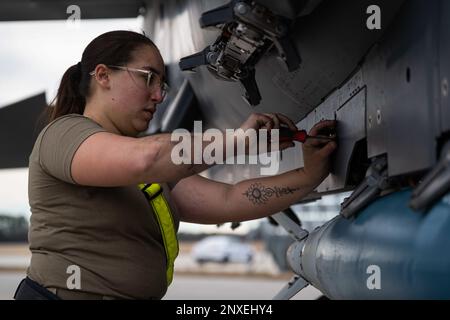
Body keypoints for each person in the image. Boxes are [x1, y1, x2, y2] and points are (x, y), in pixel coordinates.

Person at [14, 30, 337, 300]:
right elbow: (148, 158)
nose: (158, 95)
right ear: (103, 76)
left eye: (162, 85)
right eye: (148, 78)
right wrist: (240, 140)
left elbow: (231, 199)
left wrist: (309, 173)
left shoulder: (149, 171)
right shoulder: (65, 134)